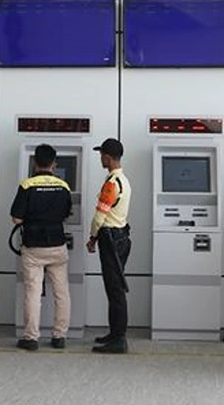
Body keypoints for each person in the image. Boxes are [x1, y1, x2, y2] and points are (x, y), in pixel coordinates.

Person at [11, 144, 73, 352]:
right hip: (57, 244)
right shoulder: (63, 186)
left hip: (33, 246)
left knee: (33, 291)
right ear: (54, 163)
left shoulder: (27, 185)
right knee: (61, 291)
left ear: (35, 162)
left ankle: (31, 337)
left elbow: (16, 218)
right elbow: (66, 214)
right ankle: (59, 336)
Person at [88, 138, 132, 355]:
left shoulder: (111, 184)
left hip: (110, 238)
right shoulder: (123, 180)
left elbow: (99, 216)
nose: (100, 158)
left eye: (101, 154)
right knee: (114, 288)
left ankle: (119, 339)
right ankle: (114, 333)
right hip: (120, 236)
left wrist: (92, 237)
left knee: (115, 290)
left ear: (108, 156)